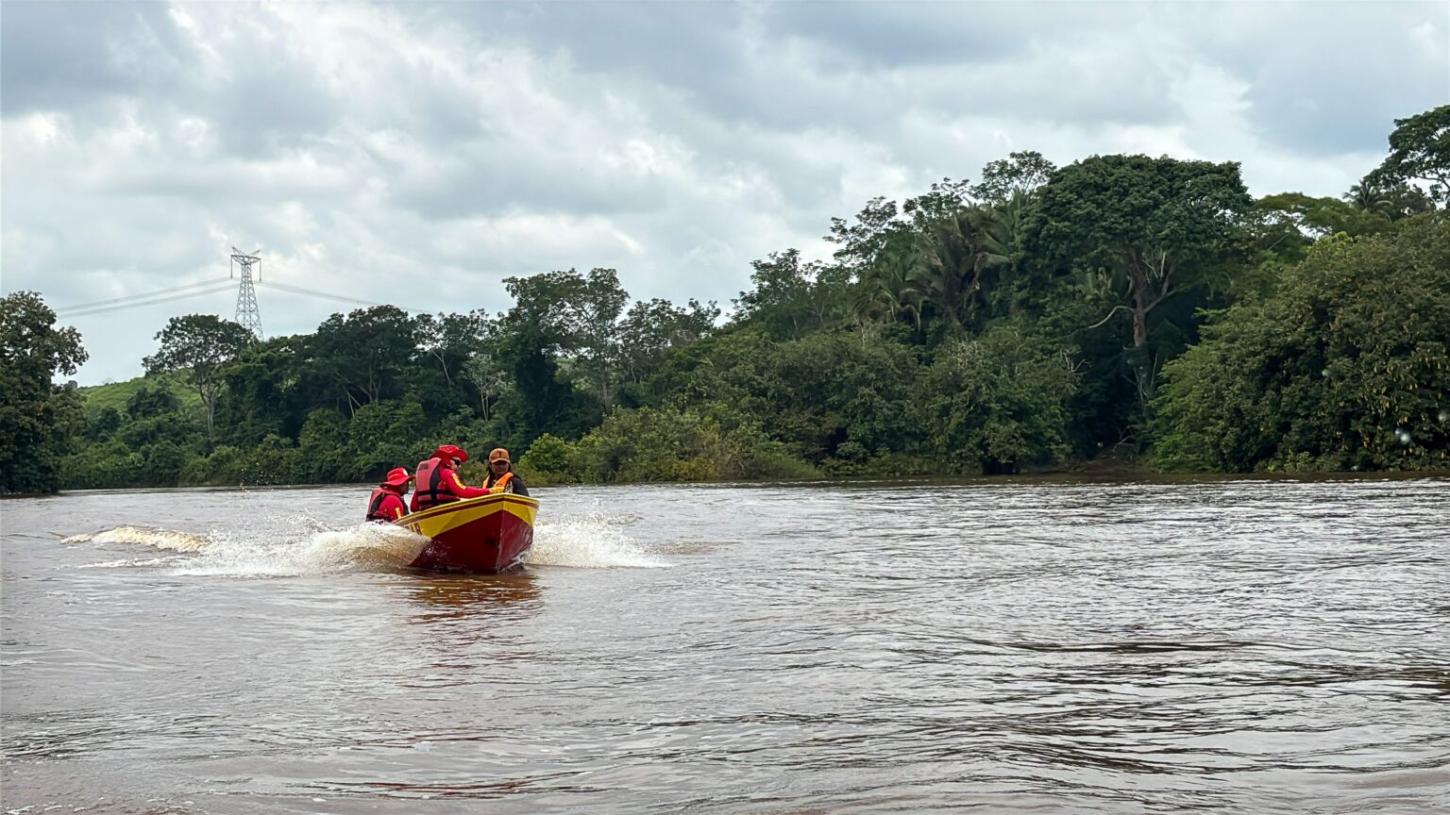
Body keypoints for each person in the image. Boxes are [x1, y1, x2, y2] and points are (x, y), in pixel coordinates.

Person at [411, 444, 490, 511]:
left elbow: (413, 507)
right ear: (448, 460)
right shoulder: (447, 473)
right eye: (457, 462)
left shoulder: (424, 477)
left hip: (429, 518)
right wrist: (489, 491)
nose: (459, 466)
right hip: (445, 513)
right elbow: (462, 491)